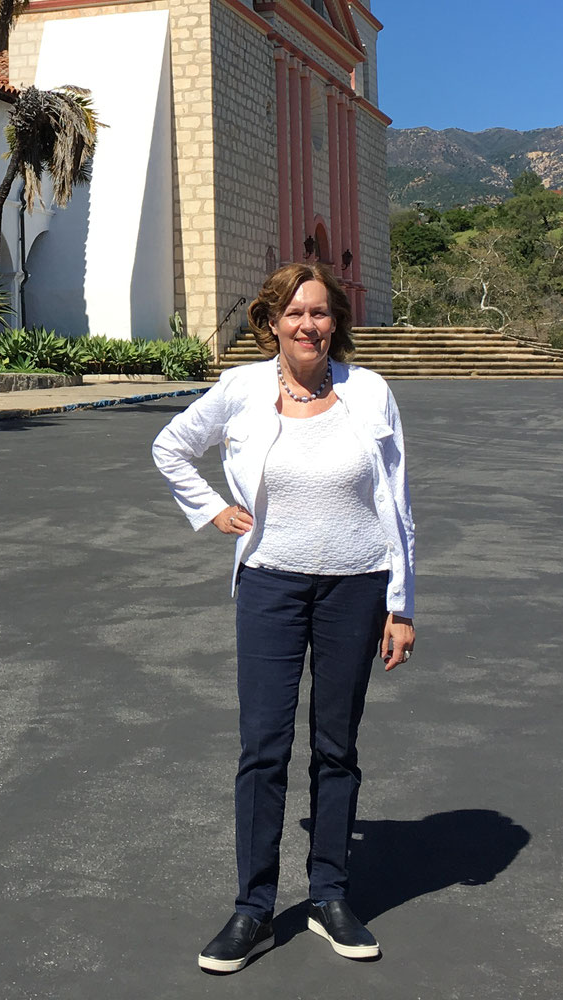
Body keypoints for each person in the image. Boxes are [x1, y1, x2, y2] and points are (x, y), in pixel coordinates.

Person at [151, 261, 417, 975]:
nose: (309, 325)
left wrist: (401, 605)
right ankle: (254, 909)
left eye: (322, 313)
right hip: (270, 584)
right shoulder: (241, 388)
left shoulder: (370, 393)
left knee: (337, 746)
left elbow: (396, 504)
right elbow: (170, 446)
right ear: (271, 322)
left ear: (337, 323)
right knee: (263, 746)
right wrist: (213, 510)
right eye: (295, 313)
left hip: (355, 587)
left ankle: (330, 894)